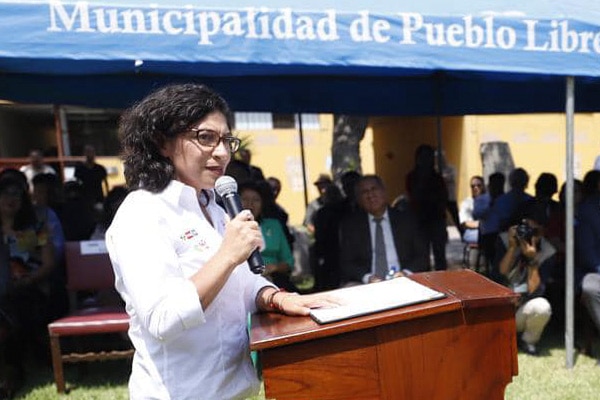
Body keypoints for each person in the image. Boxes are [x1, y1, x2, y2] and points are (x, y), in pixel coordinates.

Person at [105, 83, 336, 400]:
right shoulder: (142, 213)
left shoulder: (215, 206)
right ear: (162, 142)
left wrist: (275, 297)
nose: (223, 152)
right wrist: (227, 255)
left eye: (226, 140)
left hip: (235, 390)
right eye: (205, 138)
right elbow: (162, 318)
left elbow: (241, 283)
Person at [339, 175, 429, 286]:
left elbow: (422, 256)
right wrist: (367, 277)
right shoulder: (352, 226)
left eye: (374, 189)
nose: (370, 195)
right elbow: (347, 263)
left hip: (403, 280)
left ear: (384, 192)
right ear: (359, 199)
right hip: (366, 284)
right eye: (364, 192)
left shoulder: (406, 220)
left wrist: (405, 273)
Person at [495, 209, 554, 356]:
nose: (529, 235)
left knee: (542, 306)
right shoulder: (504, 240)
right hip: (499, 309)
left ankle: (528, 341)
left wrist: (532, 259)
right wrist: (512, 248)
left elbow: (535, 290)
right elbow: (499, 274)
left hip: (522, 308)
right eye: (526, 228)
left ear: (543, 232)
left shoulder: (548, 251)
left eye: (534, 231)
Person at [239, 181, 297, 292]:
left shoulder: (274, 225)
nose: (250, 204)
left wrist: (273, 267)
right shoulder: (228, 226)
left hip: (274, 280)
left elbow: (289, 262)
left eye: (256, 200)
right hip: (243, 282)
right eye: (245, 199)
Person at [405, 144, 449, 270]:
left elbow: (444, 198)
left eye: (429, 157)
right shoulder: (411, 177)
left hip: (437, 220)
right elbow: (413, 196)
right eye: (423, 157)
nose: (426, 160)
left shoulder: (438, 178)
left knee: (440, 255)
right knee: (422, 256)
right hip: (419, 221)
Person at [459, 175, 485, 245]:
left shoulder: (489, 200)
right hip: (473, 232)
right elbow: (465, 223)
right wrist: (481, 225)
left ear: (483, 186)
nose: (475, 188)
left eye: (478, 185)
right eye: (473, 186)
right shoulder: (466, 203)